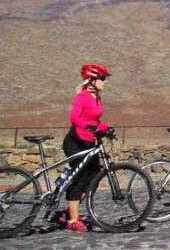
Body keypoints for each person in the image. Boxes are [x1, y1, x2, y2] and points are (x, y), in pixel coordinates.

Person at [62, 63, 113, 233]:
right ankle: (73, 221)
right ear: (92, 80)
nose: (105, 82)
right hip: (75, 142)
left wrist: (105, 128)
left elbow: (95, 120)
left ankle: (69, 211)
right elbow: (74, 117)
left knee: (93, 178)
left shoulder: (97, 97)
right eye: (102, 79)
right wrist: (88, 127)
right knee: (81, 177)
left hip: (90, 143)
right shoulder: (82, 96)